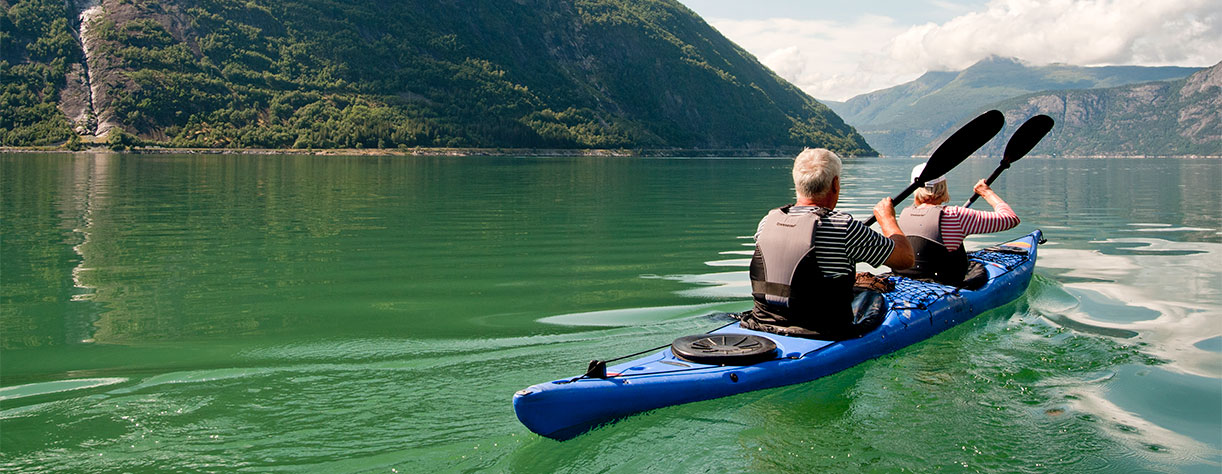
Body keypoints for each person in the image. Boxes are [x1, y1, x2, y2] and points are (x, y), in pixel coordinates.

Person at [738, 148, 914, 339]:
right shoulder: (844, 227)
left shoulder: (766, 222)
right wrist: (887, 220)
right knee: (873, 298)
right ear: (835, 184)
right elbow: (905, 259)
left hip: (762, 324)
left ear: (797, 183)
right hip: (823, 331)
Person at [894, 163, 1020, 287]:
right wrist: (986, 192)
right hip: (944, 287)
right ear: (943, 187)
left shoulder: (903, 215)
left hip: (906, 283)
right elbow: (1011, 218)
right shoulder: (955, 215)